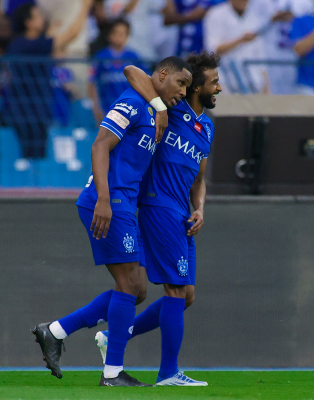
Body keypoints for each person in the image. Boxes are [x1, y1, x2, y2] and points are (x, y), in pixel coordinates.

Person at [32, 56, 192, 387]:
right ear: (162, 75)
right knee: (130, 286)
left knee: (138, 290)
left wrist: (161, 105)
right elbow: (100, 145)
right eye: (180, 83)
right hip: (108, 202)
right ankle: (112, 373)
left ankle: (56, 331)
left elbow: (139, 76)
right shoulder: (133, 101)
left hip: (124, 204)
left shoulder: (154, 106)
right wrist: (104, 199)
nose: (183, 91)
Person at [91, 52, 221, 386]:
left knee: (184, 295)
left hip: (182, 214)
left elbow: (199, 178)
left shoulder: (206, 127)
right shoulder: (170, 106)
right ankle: (168, 374)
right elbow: (132, 70)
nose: (219, 88)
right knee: (173, 290)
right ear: (194, 87)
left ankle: (115, 336)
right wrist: (161, 106)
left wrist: (200, 208)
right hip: (158, 206)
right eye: (214, 82)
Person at [3, 0, 92, 159]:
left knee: (35, 156)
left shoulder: (19, 44)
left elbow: (53, 47)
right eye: (37, 17)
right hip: (28, 111)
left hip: (32, 109)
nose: (42, 19)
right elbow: (70, 35)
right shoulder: (27, 44)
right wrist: (85, 7)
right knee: (31, 156)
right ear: (28, 23)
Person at [204, 0, 269, 93]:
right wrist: (240, 40)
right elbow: (213, 49)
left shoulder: (254, 17)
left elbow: (260, 56)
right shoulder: (216, 14)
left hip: (253, 81)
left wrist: (266, 83)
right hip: (224, 80)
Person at [88, 18, 143, 124]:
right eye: (116, 33)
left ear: (128, 36)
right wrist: (96, 108)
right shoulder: (100, 57)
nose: (119, 37)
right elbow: (92, 83)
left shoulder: (134, 57)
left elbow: (144, 82)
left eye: (123, 34)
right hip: (107, 109)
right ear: (109, 35)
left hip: (130, 110)